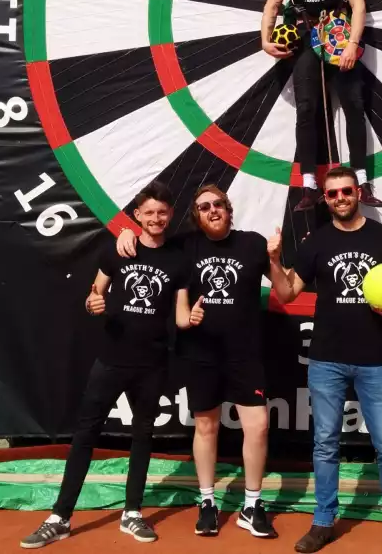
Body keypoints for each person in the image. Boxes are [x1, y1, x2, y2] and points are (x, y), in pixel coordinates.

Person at [20, 181, 189, 549]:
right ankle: (60, 517)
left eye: (162, 212)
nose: (156, 218)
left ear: (170, 214)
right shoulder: (117, 252)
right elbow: (94, 294)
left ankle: (132, 513)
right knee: (85, 436)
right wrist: (92, 303)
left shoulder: (178, 259)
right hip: (111, 360)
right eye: (149, 213)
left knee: (143, 437)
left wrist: (193, 317)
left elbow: (179, 316)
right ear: (137, 216)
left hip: (152, 364)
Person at [116, 185, 288, 539]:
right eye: (204, 206)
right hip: (200, 352)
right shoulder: (185, 245)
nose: (212, 210)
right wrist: (125, 232)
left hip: (245, 353)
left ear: (228, 208)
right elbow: (150, 240)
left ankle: (252, 505)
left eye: (218, 204)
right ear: (196, 215)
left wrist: (275, 258)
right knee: (206, 427)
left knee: (257, 427)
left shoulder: (253, 244)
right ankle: (207, 501)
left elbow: (285, 293)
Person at [267, 166, 382, 554]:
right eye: (332, 194)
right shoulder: (316, 242)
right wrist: (274, 261)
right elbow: (287, 293)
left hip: (375, 359)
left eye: (346, 190)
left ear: (358, 192)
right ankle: (322, 522)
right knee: (325, 444)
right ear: (325, 199)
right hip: (326, 359)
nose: (340, 198)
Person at [261, 0, 382, 212]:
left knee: (354, 106)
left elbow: (358, 6)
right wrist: (264, 40)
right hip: (304, 39)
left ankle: (362, 182)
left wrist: (353, 45)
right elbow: (273, 3)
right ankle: (309, 186)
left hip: (337, 37)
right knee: (306, 110)